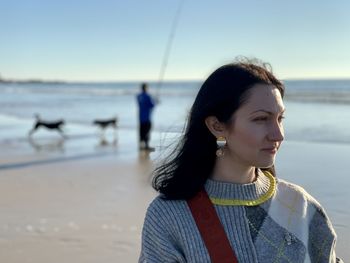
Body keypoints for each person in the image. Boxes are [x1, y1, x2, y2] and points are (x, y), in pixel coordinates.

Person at [139, 59, 343, 262]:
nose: (278, 134)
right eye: (261, 119)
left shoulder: (300, 205)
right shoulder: (168, 217)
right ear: (217, 126)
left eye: (280, 118)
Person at [137, 83, 156, 151]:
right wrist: (155, 102)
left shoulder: (139, 96)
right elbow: (151, 105)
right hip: (147, 117)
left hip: (141, 116)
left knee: (141, 131)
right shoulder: (148, 96)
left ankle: (141, 145)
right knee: (147, 130)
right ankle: (146, 146)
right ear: (146, 88)